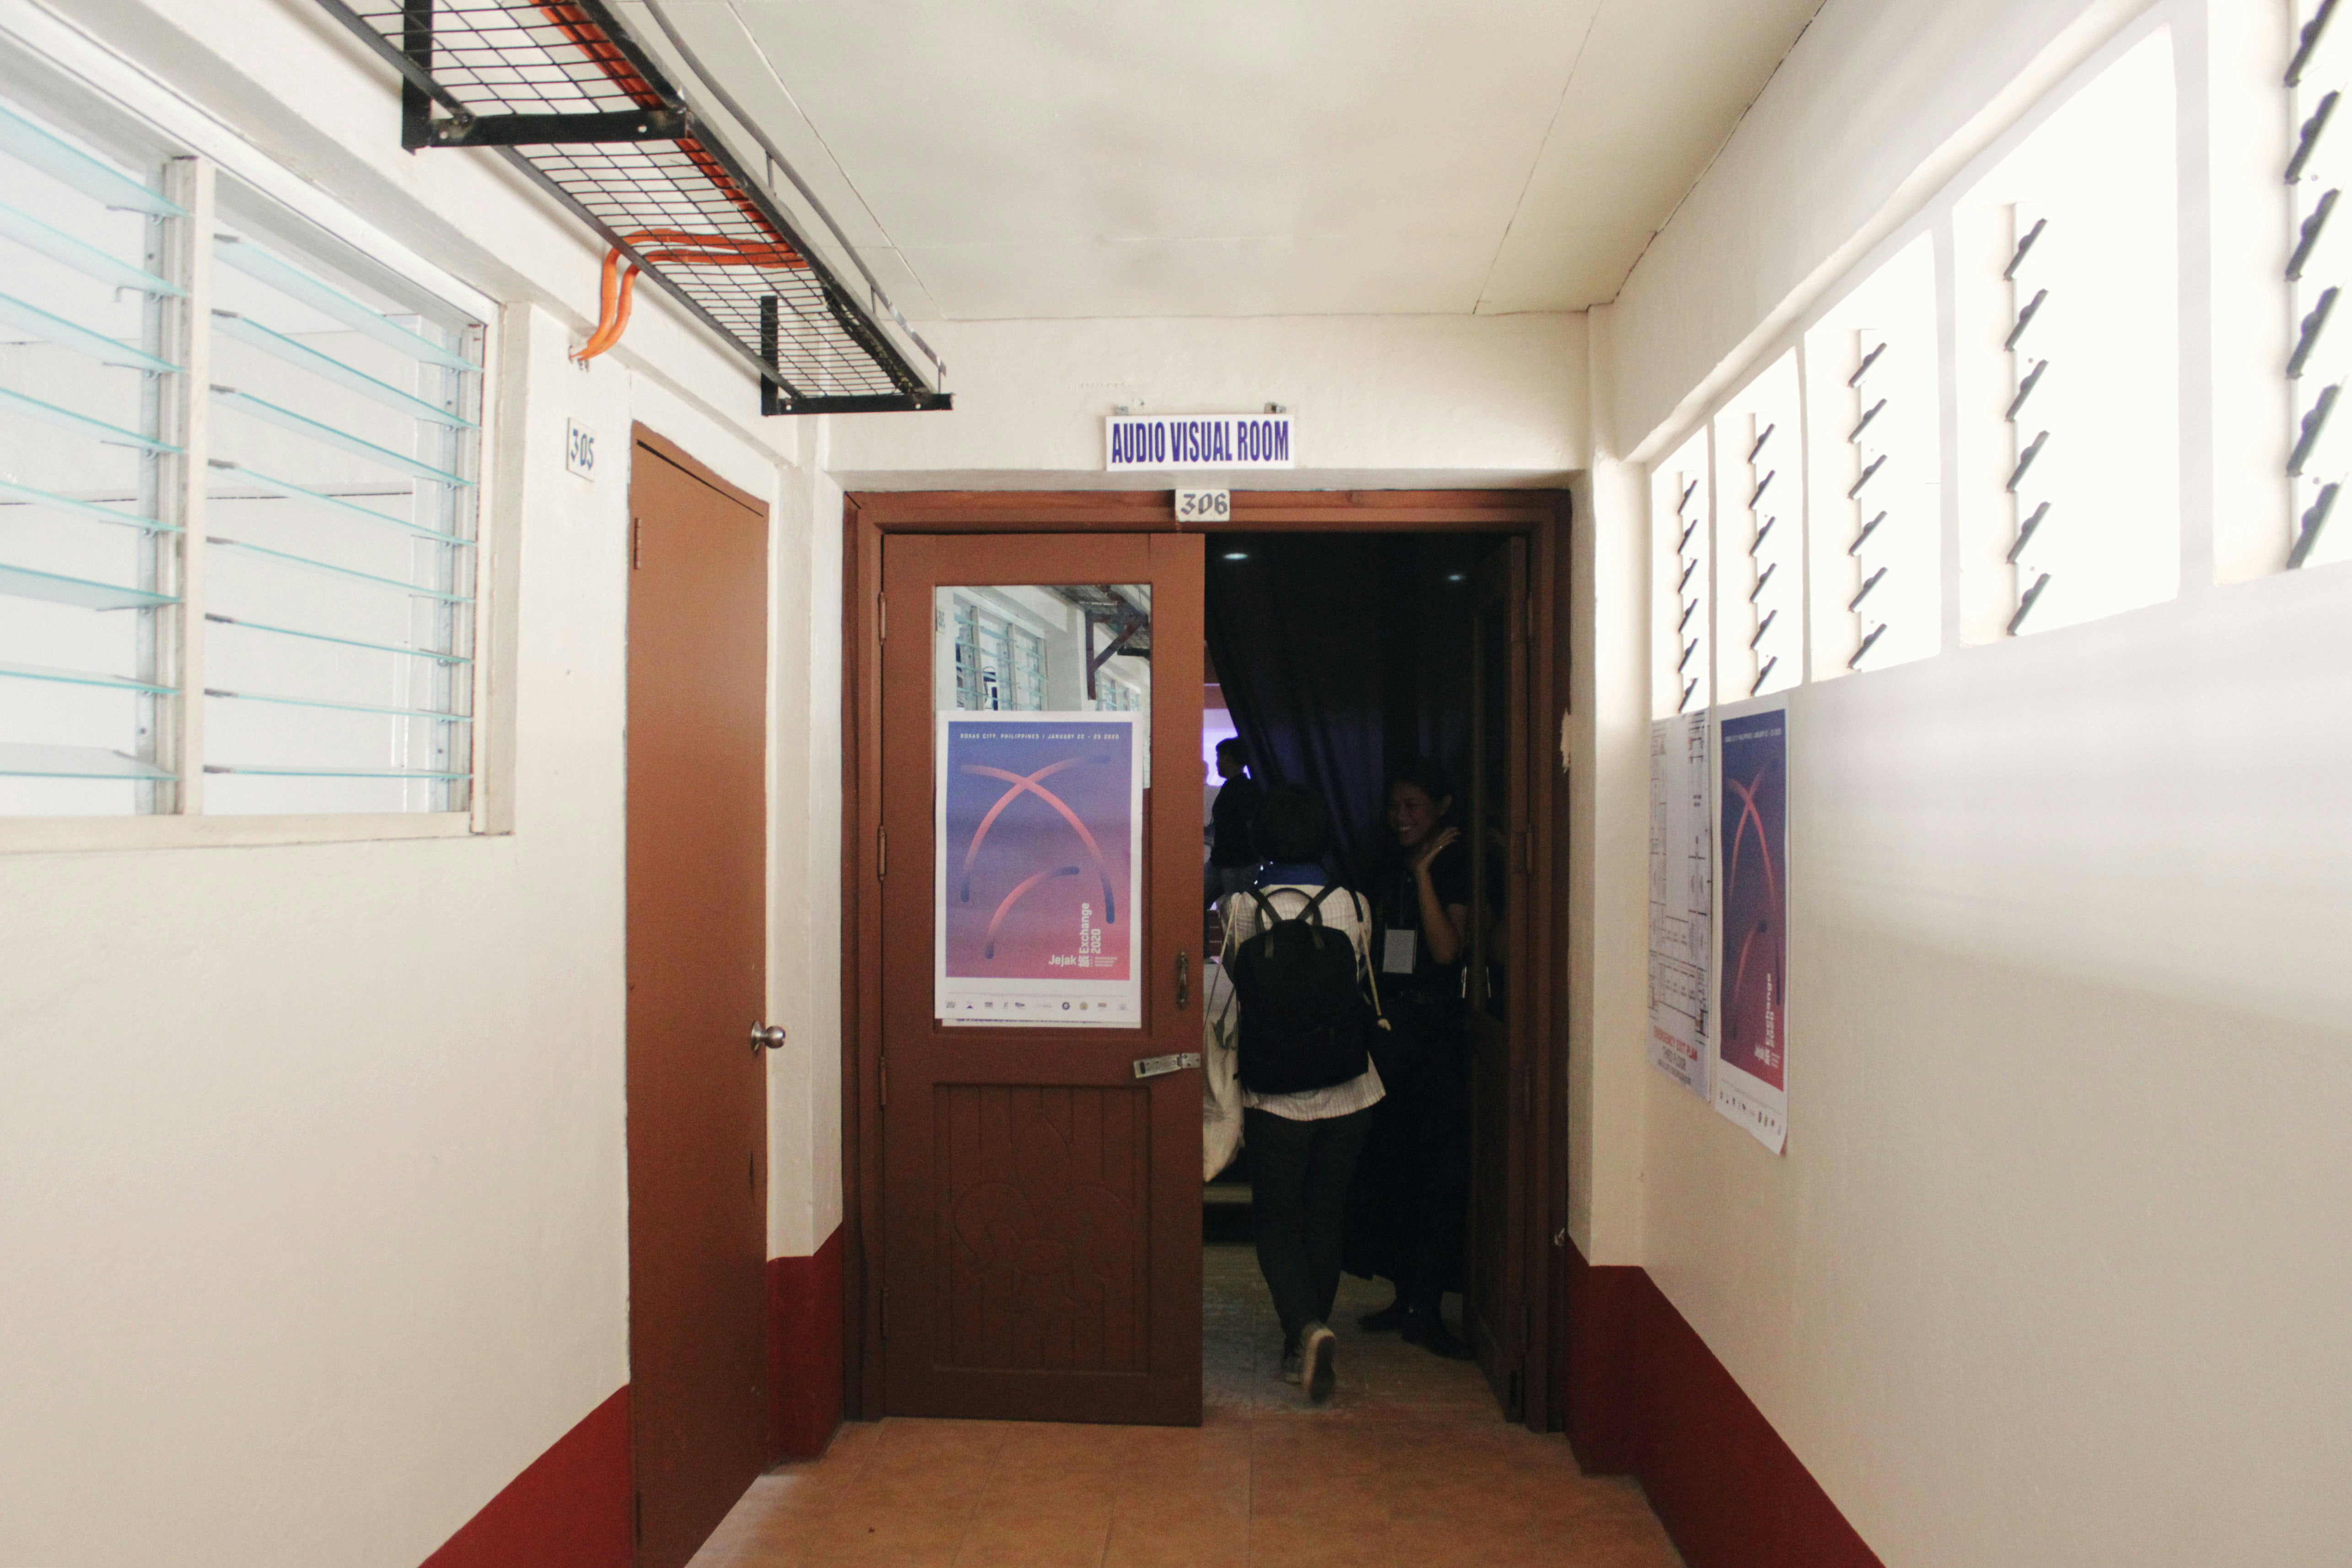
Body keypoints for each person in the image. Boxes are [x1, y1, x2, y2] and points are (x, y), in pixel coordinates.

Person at [1218, 783, 1382, 1403]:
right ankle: (1304, 1336)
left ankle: (1303, 1332)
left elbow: (1240, 979)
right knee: (1325, 1215)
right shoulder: (1355, 904)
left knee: (1277, 1219)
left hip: (1272, 1093)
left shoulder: (1238, 910)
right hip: (1350, 1087)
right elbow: (1360, 980)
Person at [1346, 759, 1477, 1359]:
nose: (1401, 818)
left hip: (1436, 1038)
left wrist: (1424, 875)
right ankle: (1403, 1295)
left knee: (1436, 1172)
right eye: (1395, 807)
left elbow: (1448, 951)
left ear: (1442, 807)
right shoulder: (1380, 865)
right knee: (1390, 1166)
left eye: (1413, 808)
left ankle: (1428, 1303)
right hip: (1388, 1032)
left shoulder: (1454, 866)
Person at [1204, 737, 1265, 903]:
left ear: (1228, 758)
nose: (1217, 762)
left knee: (1236, 910)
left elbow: (1252, 825)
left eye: (1218, 757)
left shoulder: (1243, 789)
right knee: (1196, 902)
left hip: (1239, 863)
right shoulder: (1234, 787)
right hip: (1223, 860)